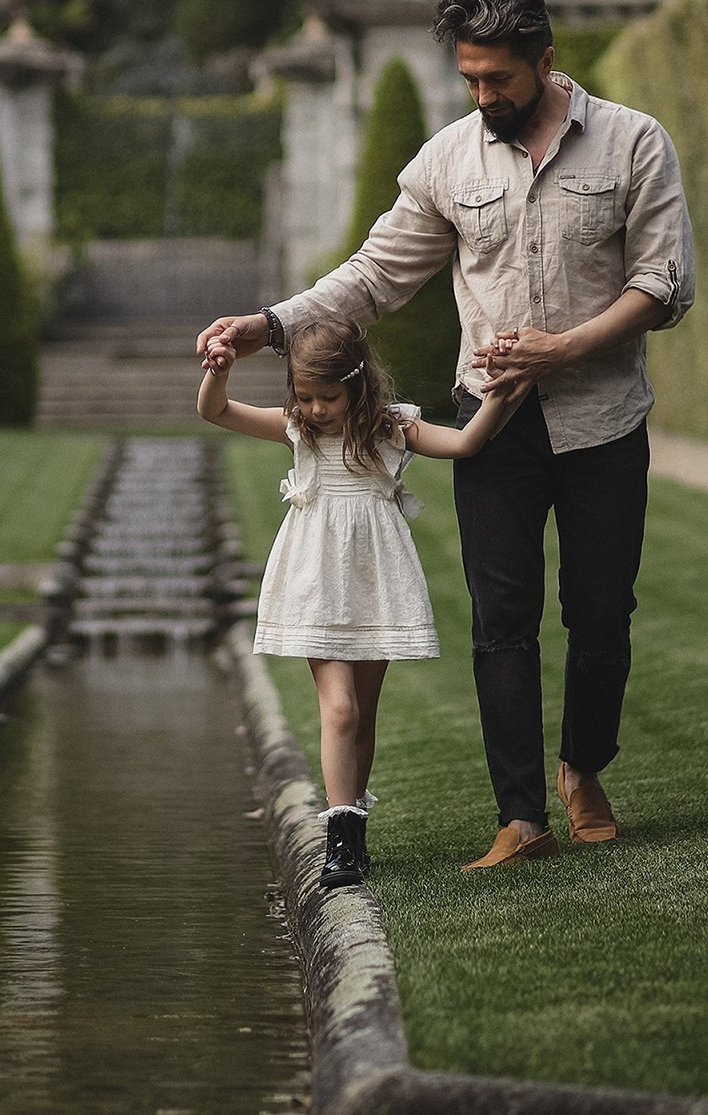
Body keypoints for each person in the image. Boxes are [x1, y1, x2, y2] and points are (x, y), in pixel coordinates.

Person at [199, 0, 694, 871]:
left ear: (545, 61)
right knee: (500, 617)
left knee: (600, 612)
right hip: (490, 422)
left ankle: (583, 766)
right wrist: (270, 325)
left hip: (604, 417)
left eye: (498, 79)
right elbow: (375, 274)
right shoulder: (447, 162)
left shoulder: (633, 144)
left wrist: (564, 348)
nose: (483, 96)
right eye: (469, 79)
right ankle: (521, 817)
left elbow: (663, 286)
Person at [199, 318, 519, 887]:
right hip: (318, 581)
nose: (318, 409)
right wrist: (218, 373)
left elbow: (466, 443)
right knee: (340, 708)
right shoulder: (299, 429)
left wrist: (499, 393)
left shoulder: (394, 428)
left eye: (329, 397)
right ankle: (338, 841)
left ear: (359, 384)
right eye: (305, 397)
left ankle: (356, 829)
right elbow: (216, 412)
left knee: (362, 714)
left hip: (376, 581)